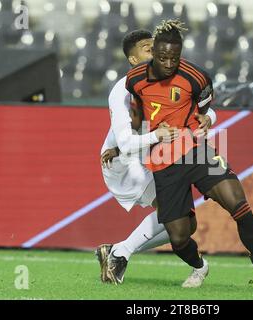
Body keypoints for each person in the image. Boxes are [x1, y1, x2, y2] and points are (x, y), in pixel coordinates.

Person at [125, 19, 253, 290]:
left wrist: (207, 119)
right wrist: (138, 140)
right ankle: (200, 267)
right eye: (163, 57)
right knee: (178, 237)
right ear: (153, 52)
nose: (168, 63)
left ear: (181, 54)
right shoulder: (135, 80)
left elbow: (205, 110)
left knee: (239, 204)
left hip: (197, 152)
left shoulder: (196, 76)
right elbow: (137, 117)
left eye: (174, 58)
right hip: (165, 163)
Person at [96, 29, 218, 285]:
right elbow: (127, 143)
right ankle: (120, 254)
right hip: (125, 162)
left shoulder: (169, 81)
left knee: (187, 223)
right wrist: (159, 135)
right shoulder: (122, 90)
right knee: (176, 218)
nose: (156, 51)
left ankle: (116, 251)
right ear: (132, 59)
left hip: (152, 156)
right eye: (147, 48)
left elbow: (206, 113)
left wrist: (208, 119)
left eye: (156, 46)